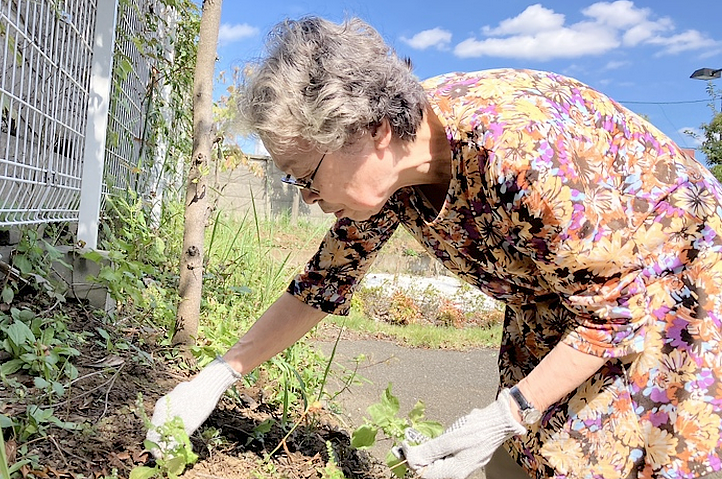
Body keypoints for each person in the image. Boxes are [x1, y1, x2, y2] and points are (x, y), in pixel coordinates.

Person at [148, 15, 722, 479]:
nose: (307, 196)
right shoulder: (395, 174)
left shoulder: (514, 149)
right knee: (531, 457)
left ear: (369, 131)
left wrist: (507, 413)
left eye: (305, 175)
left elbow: (617, 310)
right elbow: (322, 284)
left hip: (680, 288)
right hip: (570, 302)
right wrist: (218, 375)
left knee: (628, 451)